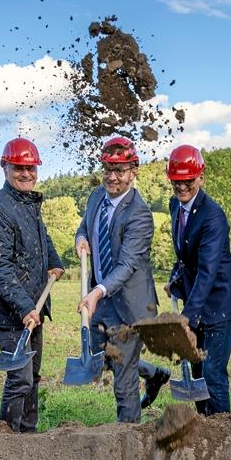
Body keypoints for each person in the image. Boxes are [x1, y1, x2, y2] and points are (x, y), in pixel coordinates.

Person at [0, 138, 65, 433]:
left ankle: (28, 434)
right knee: (20, 378)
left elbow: (43, 239)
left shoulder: (28, 204)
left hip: (34, 305)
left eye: (31, 168)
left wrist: (55, 261)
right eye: (19, 167)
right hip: (12, 311)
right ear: (5, 167)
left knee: (34, 376)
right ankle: (7, 437)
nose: (26, 173)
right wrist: (25, 307)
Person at [75, 137, 161, 423]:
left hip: (129, 304)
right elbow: (84, 226)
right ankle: (153, 373)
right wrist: (81, 238)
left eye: (120, 170)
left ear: (133, 171)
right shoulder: (96, 197)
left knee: (124, 383)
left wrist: (97, 291)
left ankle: (129, 442)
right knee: (103, 356)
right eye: (108, 169)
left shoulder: (140, 215)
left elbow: (126, 266)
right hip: (103, 302)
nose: (112, 177)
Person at [163, 145, 231, 415]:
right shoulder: (175, 204)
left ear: (201, 177)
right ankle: (204, 429)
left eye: (188, 180)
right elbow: (186, 255)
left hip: (219, 303)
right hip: (196, 299)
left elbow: (208, 271)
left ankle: (223, 432)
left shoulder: (213, 216)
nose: (182, 186)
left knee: (212, 373)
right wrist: (175, 279)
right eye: (177, 181)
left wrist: (187, 317)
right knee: (197, 371)